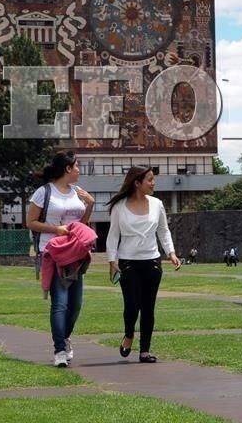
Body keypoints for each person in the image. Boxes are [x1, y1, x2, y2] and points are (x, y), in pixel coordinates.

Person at [26, 151, 95, 368]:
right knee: (60, 304)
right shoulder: (44, 192)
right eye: (76, 166)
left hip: (76, 254)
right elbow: (31, 222)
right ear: (67, 168)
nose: (79, 170)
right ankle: (59, 351)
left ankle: (64, 337)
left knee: (75, 305)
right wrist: (56, 229)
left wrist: (90, 205)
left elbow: (81, 225)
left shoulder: (77, 192)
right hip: (53, 253)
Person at [106, 165, 180, 364]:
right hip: (128, 263)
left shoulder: (157, 204)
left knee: (148, 308)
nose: (153, 183)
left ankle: (145, 351)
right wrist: (112, 261)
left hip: (152, 262)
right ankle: (129, 334)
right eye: (150, 179)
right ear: (137, 183)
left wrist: (171, 253)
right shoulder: (119, 206)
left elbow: (164, 231)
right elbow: (113, 235)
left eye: (153, 179)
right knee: (131, 306)